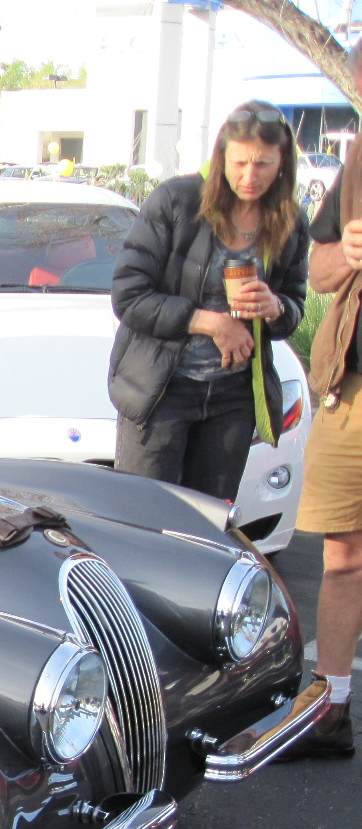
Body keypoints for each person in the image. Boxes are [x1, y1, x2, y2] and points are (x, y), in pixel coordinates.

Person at [108, 101, 309, 505]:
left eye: (263, 165)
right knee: (144, 521)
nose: (249, 176)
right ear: (220, 158)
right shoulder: (177, 200)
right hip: (162, 390)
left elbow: (294, 307)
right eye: (239, 163)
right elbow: (129, 295)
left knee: (209, 527)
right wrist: (210, 323)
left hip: (231, 396)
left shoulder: (290, 221)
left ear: (282, 163)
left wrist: (274, 307)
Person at [286, 51, 362, 759]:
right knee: (342, 554)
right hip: (352, 386)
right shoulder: (360, 162)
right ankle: (330, 705)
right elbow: (319, 267)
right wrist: (350, 251)